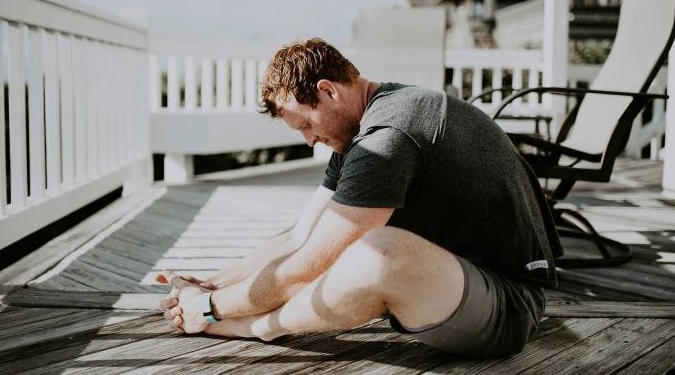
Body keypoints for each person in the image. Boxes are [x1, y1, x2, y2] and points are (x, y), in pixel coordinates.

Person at [159, 38, 562, 357]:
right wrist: (212, 284)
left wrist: (212, 310)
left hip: (507, 306)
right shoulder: (360, 133)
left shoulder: (389, 135)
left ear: (327, 90)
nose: (309, 139)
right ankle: (238, 317)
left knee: (376, 253)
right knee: (339, 243)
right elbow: (300, 236)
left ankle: (259, 328)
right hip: (451, 285)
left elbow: (308, 265)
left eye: (306, 124)